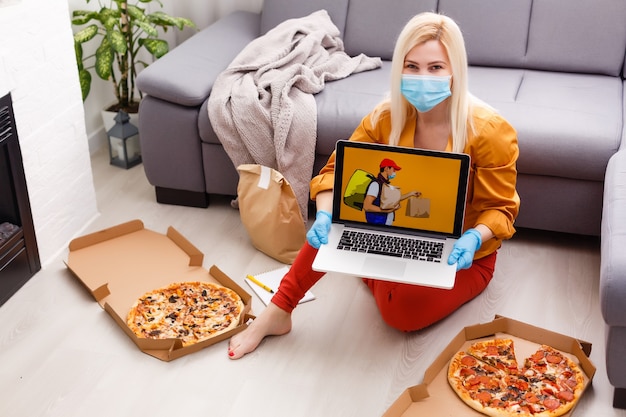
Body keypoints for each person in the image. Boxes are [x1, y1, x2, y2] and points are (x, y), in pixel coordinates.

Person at [228, 12, 519, 359]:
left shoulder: (490, 131)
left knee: (400, 313)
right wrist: (324, 214)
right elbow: (337, 172)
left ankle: (366, 264)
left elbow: (499, 209)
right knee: (338, 216)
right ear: (399, 69)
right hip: (395, 230)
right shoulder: (386, 117)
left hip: (464, 255)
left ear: (456, 70)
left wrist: (474, 238)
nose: (422, 77)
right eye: (412, 66)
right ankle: (279, 310)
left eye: (436, 67)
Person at [363, 158, 420, 225]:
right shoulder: (375, 185)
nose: (394, 172)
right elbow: (367, 206)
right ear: (386, 169)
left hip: (385, 223)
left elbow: (394, 199)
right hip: (378, 224)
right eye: (394, 170)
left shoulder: (385, 185)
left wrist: (411, 193)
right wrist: (386, 210)